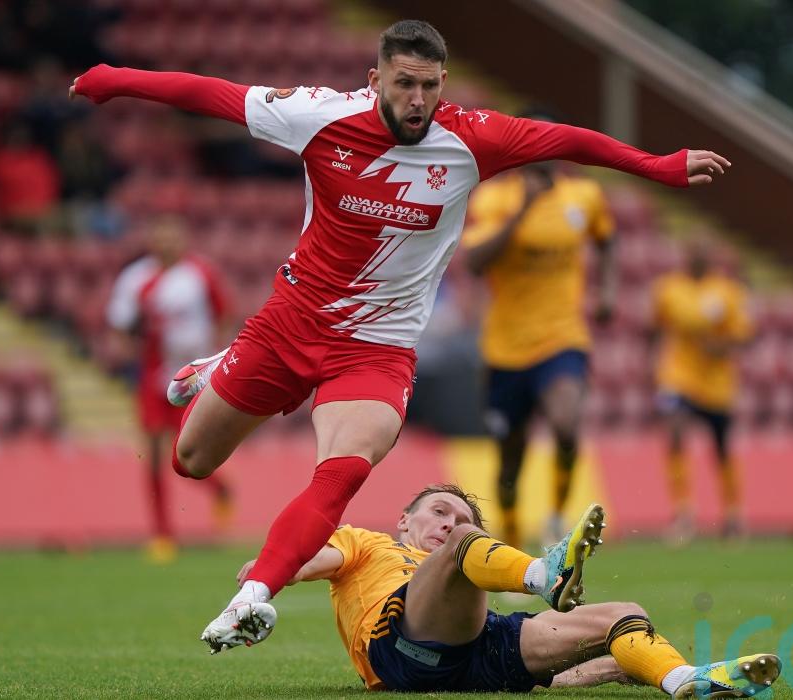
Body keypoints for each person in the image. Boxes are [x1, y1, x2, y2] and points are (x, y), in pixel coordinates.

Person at [69, 19, 731, 649]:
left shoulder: (471, 138)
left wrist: (659, 166)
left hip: (377, 350)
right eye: (404, 83)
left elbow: (568, 141)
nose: (417, 99)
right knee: (191, 461)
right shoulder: (320, 115)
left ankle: (252, 597)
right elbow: (212, 94)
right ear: (375, 80)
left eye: (430, 86)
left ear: (444, 84)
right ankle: (224, 364)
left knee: (339, 472)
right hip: (289, 327)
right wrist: (114, 79)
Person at [226, 484, 781, 696]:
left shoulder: (463, 568)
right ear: (404, 519)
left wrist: (604, 667)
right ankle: (546, 575)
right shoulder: (365, 543)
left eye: (459, 517)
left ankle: (685, 680)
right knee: (463, 551)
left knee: (623, 616)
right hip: (398, 648)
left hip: (472, 647)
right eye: (438, 511)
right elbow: (305, 561)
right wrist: (270, 573)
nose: (448, 521)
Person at [462, 129, 616, 548]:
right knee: (510, 460)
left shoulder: (583, 197)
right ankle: (511, 539)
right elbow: (475, 262)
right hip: (505, 349)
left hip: (562, 337)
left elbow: (606, 239)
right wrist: (524, 209)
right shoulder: (494, 199)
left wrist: (607, 290)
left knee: (566, 423)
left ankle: (556, 519)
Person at [106, 216, 234, 563]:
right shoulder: (136, 278)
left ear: (182, 240)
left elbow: (224, 314)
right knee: (152, 454)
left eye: (172, 237)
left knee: (189, 452)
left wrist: (215, 357)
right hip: (153, 378)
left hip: (194, 378)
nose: (167, 243)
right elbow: (119, 325)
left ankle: (220, 488)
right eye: (161, 237)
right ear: (152, 241)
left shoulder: (201, 274)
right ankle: (162, 534)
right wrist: (129, 351)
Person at [651, 237, 753, 544]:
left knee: (722, 448)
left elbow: (744, 334)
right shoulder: (669, 288)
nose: (697, 256)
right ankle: (683, 513)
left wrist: (720, 346)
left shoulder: (726, 291)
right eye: (692, 250)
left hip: (717, 383)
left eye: (702, 251)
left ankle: (733, 515)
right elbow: (654, 326)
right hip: (678, 376)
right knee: (675, 432)